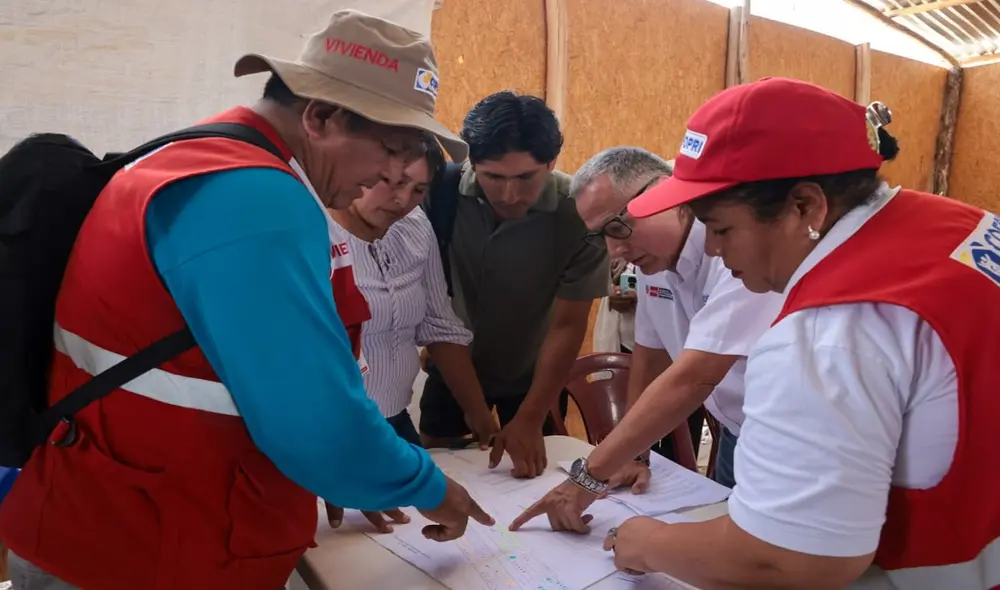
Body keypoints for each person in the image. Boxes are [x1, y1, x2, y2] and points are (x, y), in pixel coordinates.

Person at [0, 11, 493, 590]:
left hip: (115, 518)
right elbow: (317, 424)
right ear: (320, 116)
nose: (394, 172)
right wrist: (427, 487)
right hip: (142, 551)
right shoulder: (257, 200)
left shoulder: (200, 158)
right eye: (391, 147)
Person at [552, 77, 999, 589]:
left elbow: (784, 560)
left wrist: (647, 541)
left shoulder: (826, 333)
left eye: (722, 229)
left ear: (805, 206)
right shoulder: (964, 225)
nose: (713, 249)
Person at [419, 91, 610, 479]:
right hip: (453, 370)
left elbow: (568, 325)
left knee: (530, 481)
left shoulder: (580, 214)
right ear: (472, 162)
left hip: (536, 381)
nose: (509, 195)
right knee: (441, 476)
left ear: (551, 162)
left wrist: (532, 414)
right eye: (493, 177)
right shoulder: (436, 194)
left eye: (525, 177)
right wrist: (474, 410)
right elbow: (430, 305)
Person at [325, 134, 500, 533]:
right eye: (391, 182)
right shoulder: (315, 235)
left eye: (419, 189)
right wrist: (328, 456)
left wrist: (478, 413)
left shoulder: (415, 227)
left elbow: (439, 324)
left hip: (395, 423)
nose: (402, 200)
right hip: (333, 431)